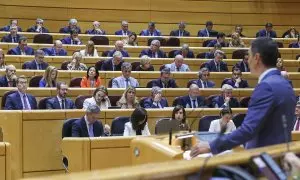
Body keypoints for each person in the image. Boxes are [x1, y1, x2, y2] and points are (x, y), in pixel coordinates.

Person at [190, 37, 296, 157]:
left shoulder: (265, 86)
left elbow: (248, 130)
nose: (248, 60)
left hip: (262, 159)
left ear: (256, 58)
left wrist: (212, 146)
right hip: (280, 155)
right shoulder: (286, 84)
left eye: (249, 55)